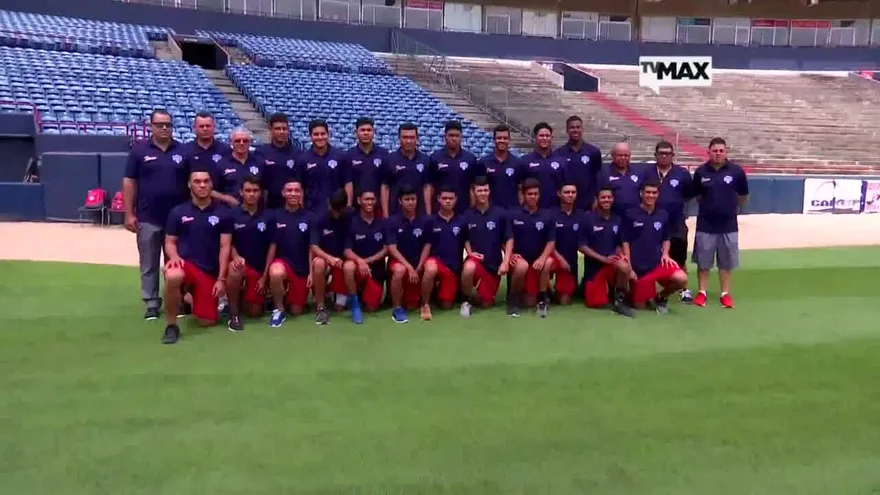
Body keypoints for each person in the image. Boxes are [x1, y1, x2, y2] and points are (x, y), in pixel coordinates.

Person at [123, 109, 187, 320]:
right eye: (160, 125)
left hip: (177, 221)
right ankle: (151, 303)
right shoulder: (139, 151)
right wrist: (128, 213)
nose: (164, 128)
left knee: (176, 262)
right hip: (148, 217)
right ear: (151, 126)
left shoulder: (182, 151)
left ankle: (176, 301)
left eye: (168, 125)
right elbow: (129, 182)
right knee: (149, 262)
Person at [161, 166, 232, 344]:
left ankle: (188, 297)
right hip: (186, 265)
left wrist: (221, 279)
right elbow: (169, 242)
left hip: (208, 272)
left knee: (206, 321)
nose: (202, 185)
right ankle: (171, 325)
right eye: (197, 182)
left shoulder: (223, 213)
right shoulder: (178, 212)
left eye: (206, 182)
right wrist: (174, 256)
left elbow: (225, 247)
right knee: (173, 275)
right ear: (189, 185)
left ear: (211, 185)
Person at [691, 137, 749, 308]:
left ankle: (725, 293)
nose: (718, 153)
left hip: (729, 225)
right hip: (706, 224)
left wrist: (730, 209)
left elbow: (743, 196)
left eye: (721, 150)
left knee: (726, 262)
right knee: (704, 261)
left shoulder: (737, 171)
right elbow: (698, 196)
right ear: (709, 152)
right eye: (714, 151)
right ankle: (702, 292)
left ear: (726, 152)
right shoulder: (701, 172)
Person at [640, 141, 695, 303]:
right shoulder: (647, 172)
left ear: (673, 156)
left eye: (667, 153)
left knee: (679, 257)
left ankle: (684, 289)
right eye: (661, 153)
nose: (664, 156)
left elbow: (688, 194)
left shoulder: (682, 174)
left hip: (676, 222)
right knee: (650, 253)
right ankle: (647, 284)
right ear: (655, 155)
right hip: (652, 222)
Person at [621, 181, 688, 314]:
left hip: (657, 263)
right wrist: (628, 264)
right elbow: (625, 240)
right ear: (641, 193)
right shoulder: (630, 214)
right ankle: (634, 292)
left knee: (682, 278)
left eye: (654, 193)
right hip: (638, 267)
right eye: (648, 192)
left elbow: (666, 238)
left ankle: (661, 297)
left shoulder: (663, 214)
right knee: (640, 306)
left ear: (658, 195)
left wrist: (666, 255)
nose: (651, 196)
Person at [225, 175, 274, 331]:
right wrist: (235, 256)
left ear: (260, 193)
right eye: (247, 190)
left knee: (254, 312)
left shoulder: (268, 216)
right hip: (241, 265)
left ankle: (240, 297)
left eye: (255, 191)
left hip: (258, 271)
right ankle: (233, 314)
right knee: (234, 268)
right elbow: (228, 243)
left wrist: (265, 277)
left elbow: (272, 247)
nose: (251, 194)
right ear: (241, 192)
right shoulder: (232, 215)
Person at [460, 176, 512, 317]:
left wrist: (506, 262)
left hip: (493, 267)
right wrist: (470, 253)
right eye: (479, 190)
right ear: (473, 192)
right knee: (469, 266)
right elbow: (464, 238)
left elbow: (509, 239)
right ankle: (466, 302)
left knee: (486, 304)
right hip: (476, 262)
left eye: (485, 190)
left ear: (489, 192)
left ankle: (473, 293)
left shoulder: (501, 214)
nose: (483, 193)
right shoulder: (466, 215)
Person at [266, 179, 315, 327]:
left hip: (301, 269)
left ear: (301, 193)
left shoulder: (310, 217)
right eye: (289, 190)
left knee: (296, 311)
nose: (293, 194)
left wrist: (311, 274)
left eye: (296, 190)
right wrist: (264, 275)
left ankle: (289, 296)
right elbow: (272, 246)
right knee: (275, 272)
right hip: (283, 264)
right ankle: (278, 309)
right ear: (283, 193)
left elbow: (312, 248)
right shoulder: (275, 216)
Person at [580, 187, 633, 317]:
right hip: (595, 267)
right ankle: (587, 286)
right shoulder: (587, 219)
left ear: (613, 199)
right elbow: (582, 246)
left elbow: (622, 242)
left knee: (624, 266)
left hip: (613, 263)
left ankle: (619, 300)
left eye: (609, 197)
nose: (606, 200)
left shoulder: (618, 219)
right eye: (603, 197)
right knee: (595, 303)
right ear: (597, 199)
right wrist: (602, 259)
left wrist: (624, 258)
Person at [508, 178, 556, 318]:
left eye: (536, 194)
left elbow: (551, 241)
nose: (533, 197)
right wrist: (510, 254)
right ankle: (513, 299)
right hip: (520, 259)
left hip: (538, 260)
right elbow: (506, 239)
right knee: (521, 267)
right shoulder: (512, 214)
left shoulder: (547, 215)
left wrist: (542, 257)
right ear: (523, 195)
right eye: (530, 194)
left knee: (547, 262)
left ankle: (542, 299)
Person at [385, 185, 431, 324]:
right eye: (407, 199)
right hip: (399, 263)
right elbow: (392, 249)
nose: (410, 202)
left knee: (430, 267)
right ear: (400, 201)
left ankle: (425, 304)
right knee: (400, 270)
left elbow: (427, 245)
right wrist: (410, 267)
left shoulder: (425, 220)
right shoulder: (392, 221)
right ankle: (397, 308)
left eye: (413, 199)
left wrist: (419, 266)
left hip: (418, 263)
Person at [420, 185, 466, 321]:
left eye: (450, 198)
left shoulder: (462, 220)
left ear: (456, 200)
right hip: (435, 262)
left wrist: (471, 254)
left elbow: (467, 242)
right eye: (444, 198)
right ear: (438, 199)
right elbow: (427, 245)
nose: (447, 201)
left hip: (452, 268)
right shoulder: (431, 221)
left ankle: (437, 292)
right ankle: (425, 304)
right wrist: (420, 265)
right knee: (430, 268)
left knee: (446, 305)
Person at [343, 190, 387, 324]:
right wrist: (360, 261)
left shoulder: (383, 223)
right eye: (366, 199)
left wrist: (367, 261)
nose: (369, 202)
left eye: (372, 199)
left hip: (375, 271)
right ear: (359, 201)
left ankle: (360, 295)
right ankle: (355, 303)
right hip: (357, 268)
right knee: (348, 266)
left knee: (371, 308)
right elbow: (347, 250)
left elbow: (386, 250)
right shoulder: (351, 223)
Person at [309, 189, 352, 324]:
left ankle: (343, 296)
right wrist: (330, 258)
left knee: (339, 308)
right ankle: (320, 307)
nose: (336, 213)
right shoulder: (319, 219)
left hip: (344, 262)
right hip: (327, 260)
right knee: (319, 263)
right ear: (328, 204)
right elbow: (314, 246)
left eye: (339, 210)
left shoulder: (351, 216)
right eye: (334, 209)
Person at [424, 120, 481, 215]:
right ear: (445, 137)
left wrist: (473, 211)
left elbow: (473, 188)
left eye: (457, 136)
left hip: (464, 211)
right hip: (439, 212)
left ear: (461, 137)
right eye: (451, 135)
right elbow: (430, 187)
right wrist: (429, 212)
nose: (454, 139)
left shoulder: (470, 159)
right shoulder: (435, 158)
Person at [297, 119, 348, 212]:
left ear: (328, 134)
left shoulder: (341, 156)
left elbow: (348, 183)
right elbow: (300, 187)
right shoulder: (302, 159)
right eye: (316, 134)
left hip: (337, 212)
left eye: (323, 134)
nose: (320, 137)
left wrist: (347, 207)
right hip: (312, 211)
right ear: (310, 136)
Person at [381, 122, 429, 217]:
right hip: (395, 214)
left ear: (417, 139)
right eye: (405, 137)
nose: (408, 141)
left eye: (412, 137)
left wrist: (428, 213)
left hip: (419, 215)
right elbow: (385, 188)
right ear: (399, 138)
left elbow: (426, 188)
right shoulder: (389, 160)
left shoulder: (425, 160)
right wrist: (386, 214)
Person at [555, 115, 602, 210]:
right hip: (566, 202)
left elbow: (597, 176)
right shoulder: (558, 153)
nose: (575, 130)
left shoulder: (593, 151)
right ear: (567, 130)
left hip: (587, 203)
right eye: (572, 127)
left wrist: (596, 198)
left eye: (578, 127)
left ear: (582, 129)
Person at [546, 182, 583, 306]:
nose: (570, 195)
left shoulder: (581, 216)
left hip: (570, 263)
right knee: (547, 264)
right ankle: (546, 290)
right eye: (567, 192)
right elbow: (545, 241)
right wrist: (559, 258)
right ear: (559, 194)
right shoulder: (550, 214)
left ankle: (555, 292)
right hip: (552, 257)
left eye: (573, 192)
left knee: (565, 302)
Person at [256, 112, 300, 209]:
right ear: (271, 130)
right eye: (277, 129)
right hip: (268, 205)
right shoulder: (261, 152)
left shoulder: (297, 154)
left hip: (291, 206)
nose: (281, 132)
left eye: (284, 129)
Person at [345, 117, 388, 214]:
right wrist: (348, 207)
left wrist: (385, 212)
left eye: (369, 130)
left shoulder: (384, 154)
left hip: (377, 208)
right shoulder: (349, 155)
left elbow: (385, 184)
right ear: (356, 132)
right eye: (362, 130)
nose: (366, 133)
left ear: (374, 132)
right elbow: (349, 183)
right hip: (356, 209)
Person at [516, 122, 564, 209]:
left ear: (551, 138)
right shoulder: (525, 161)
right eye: (541, 135)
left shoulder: (561, 161)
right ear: (535, 137)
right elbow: (519, 186)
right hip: (533, 211)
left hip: (555, 210)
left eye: (547, 136)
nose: (545, 138)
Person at [212, 127, 262, 208]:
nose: (241, 143)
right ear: (231, 142)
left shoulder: (259, 162)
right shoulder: (221, 164)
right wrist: (226, 198)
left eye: (245, 141)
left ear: (251, 142)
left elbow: (265, 189)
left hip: (255, 212)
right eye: (237, 141)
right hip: (229, 211)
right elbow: (211, 190)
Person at [478, 124, 520, 210]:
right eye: (499, 138)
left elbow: (520, 189)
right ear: (494, 140)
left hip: (511, 212)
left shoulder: (517, 163)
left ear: (509, 140)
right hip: (490, 213)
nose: (502, 140)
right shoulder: (483, 162)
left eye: (505, 138)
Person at [598, 142, 642, 217]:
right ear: (612, 156)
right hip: (613, 218)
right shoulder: (603, 173)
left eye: (626, 155)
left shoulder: (638, 172)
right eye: (620, 155)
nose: (623, 158)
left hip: (634, 217)